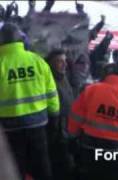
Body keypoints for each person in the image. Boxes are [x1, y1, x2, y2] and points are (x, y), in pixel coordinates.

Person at [0, 23, 60, 180]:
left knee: (16, 169)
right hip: (38, 125)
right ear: (20, 40)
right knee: (42, 168)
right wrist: (54, 116)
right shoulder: (37, 61)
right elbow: (51, 93)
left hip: (9, 129)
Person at [46, 49, 75, 179]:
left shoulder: (63, 78)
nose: (64, 64)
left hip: (67, 133)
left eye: (65, 61)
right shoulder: (49, 81)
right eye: (59, 61)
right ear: (50, 64)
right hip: (57, 136)